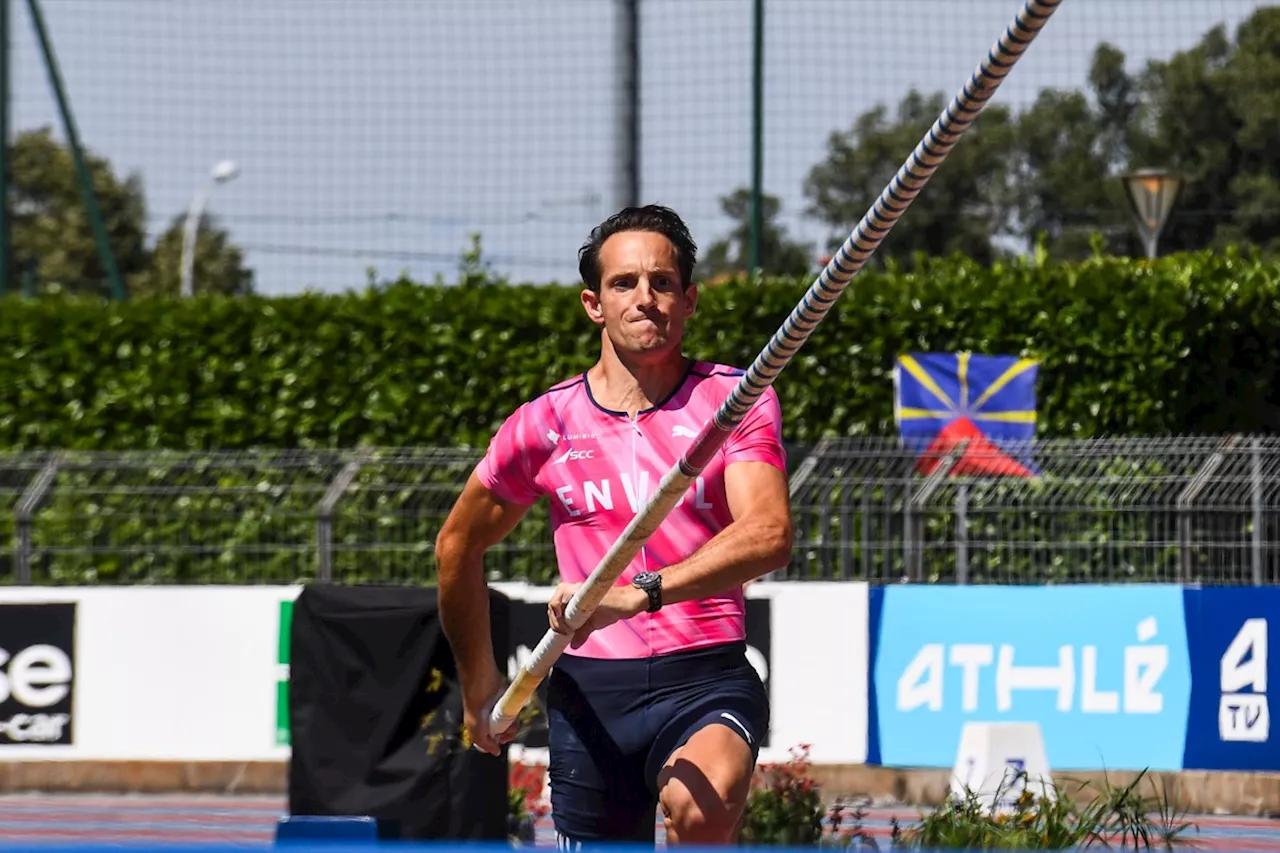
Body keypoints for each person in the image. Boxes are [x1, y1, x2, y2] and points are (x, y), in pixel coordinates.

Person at [435, 204, 794, 847]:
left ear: (689, 301)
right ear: (593, 304)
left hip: (705, 675)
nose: (645, 299)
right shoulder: (545, 424)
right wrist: (478, 682)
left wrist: (641, 592)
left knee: (700, 810)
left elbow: (768, 533)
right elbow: (457, 545)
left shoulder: (734, 401)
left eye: (662, 283)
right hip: (591, 693)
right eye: (624, 283)